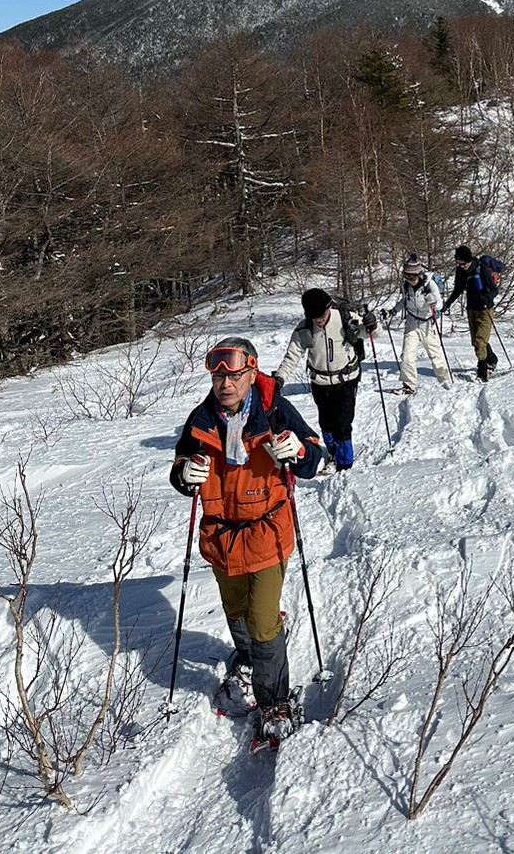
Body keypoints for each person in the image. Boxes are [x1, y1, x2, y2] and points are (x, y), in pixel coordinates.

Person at [170, 335, 321, 746]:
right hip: (221, 535)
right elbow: (181, 463)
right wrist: (184, 476)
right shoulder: (201, 419)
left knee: (261, 617)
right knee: (235, 608)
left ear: (251, 373)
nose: (225, 383)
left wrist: (299, 452)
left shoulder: (273, 410)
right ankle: (252, 661)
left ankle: (274, 703)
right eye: (218, 375)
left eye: (234, 374)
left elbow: (313, 456)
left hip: (268, 530)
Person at [276, 288, 377, 471]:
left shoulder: (346, 318)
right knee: (326, 423)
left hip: (346, 379)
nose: (320, 321)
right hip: (320, 383)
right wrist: (280, 379)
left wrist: (372, 326)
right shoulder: (304, 329)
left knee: (343, 424)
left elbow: (367, 333)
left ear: (329, 307)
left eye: (322, 316)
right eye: (316, 319)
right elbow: (292, 357)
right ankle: (332, 452)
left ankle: (345, 465)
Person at [380, 255, 451, 394]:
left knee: (436, 356)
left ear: (419, 274)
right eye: (406, 276)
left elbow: (441, 304)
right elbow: (404, 301)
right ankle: (409, 386)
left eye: (412, 277)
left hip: (427, 324)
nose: (409, 280)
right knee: (407, 356)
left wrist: (434, 302)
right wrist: (392, 312)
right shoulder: (406, 285)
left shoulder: (429, 285)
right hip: (412, 323)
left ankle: (445, 381)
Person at [442, 244, 506, 381]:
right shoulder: (460, 271)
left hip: (485, 310)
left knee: (480, 341)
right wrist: (448, 303)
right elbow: (458, 289)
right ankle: (492, 359)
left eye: (463, 263)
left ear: (469, 260)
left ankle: (482, 371)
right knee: (475, 342)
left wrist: (486, 297)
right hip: (471, 309)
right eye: (458, 263)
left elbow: (494, 290)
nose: (461, 266)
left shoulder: (481, 269)